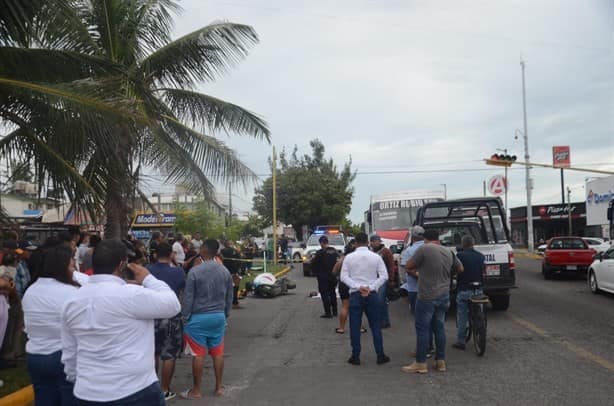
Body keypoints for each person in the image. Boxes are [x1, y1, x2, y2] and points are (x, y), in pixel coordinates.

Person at [61, 238, 181, 405]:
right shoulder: (131, 295)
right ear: (122, 264)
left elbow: (70, 352)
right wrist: (147, 278)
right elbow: (172, 305)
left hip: (87, 392)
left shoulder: (72, 301)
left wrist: (81, 381)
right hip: (135, 389)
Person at [22, 244, 80, 406]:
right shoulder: (70, 292)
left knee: (43, 399)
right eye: (71, 265)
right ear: (61, 267)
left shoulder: (31, 290)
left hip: (35, 356)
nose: (74, 269)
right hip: (62, 356)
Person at [402, 229, 463, 374]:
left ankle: (421, 363)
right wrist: (448, 275)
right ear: (438, 238)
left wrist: (420, 273)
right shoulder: (448, 251)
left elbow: (409, 266)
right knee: (439, 327)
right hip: (443, 295)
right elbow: (460, 268)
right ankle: (440, 362)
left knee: (423, 329)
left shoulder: (424, 249)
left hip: (427, 296)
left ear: (425, 238)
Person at [181, 239, 233, 399]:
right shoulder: (224, 271)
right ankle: (219, 388)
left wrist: (186, 317)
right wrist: (225, 314)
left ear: (203, 250)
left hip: (198, 317)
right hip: (218, 316)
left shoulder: (195, 272)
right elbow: (229, 296)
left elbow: (188, 297)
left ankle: (196, 390)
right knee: (218, 353)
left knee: (198, 355)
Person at [340, 232, 390, 366]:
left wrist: (357, 286)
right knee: (375, 326)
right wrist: (371, 287)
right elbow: (384, 276)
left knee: (355, 326)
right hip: (371, 294)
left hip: (356, 294)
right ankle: (380, 355)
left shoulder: (349, 258)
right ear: (368, 242)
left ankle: (355, 356)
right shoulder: (376, 257)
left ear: (355, 243)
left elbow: (343, 277)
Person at [146, 242, 186, 401]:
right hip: (171, 316)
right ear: (171, 255)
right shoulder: (178, 272)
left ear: (155, 255)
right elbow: (182, 290)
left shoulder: (147, 270)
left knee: (152, 352)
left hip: (150, 315)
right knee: (169, 354)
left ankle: (152, 386)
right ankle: (164, 389)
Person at [401, 226, 434, 358]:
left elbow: (406, 268)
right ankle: (431, 346)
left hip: (415, 289)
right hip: (432, 288)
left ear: (412, 237)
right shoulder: (433, 249)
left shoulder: (409, 251)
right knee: (432, 319)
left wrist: (418, 275)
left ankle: (423, 349)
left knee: (420, 322)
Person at [453, 235, 484, 350]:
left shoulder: (459, 256)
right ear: (473, 244)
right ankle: (481, 329)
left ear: (463, 244)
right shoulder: (480, 256)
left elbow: (455, 271)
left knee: (462, 316)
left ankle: (461, 341)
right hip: (478, 290)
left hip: (464, 290)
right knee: (479, 311)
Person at [333, 239, 366, 335]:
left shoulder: (344, 258)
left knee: (345, 306)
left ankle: (341, 328)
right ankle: (359, 327)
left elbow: (335, 270)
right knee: (357, 307)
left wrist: (337, 275)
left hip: (344, 284)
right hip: (356, 283)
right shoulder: (360, 258)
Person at [311, 236, 340, 318]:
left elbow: (314, 264)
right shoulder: (334, 251)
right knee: (332, 293)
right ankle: (335, 311)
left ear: (321, 243)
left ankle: (328, 313)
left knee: (325, 294)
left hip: (323, 277)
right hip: (333, 276)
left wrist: (314, 272)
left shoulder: (320, 253)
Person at [369, 235, 394, 328]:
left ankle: (383, 321)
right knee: (379, 301)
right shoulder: (371, 252)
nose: (374, 243)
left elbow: (391, 266)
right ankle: (384, 320)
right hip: (373, 280)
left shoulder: (385, 251)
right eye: (373, 242)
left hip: (383, 279)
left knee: (380, 301)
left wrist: (391, 280)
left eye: (376, 241)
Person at [220, 240, 242, 309]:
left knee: (225, 287)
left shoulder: (222, 251)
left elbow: (220, 260)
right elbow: (239, 260)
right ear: (231, 244)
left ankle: (224, 302)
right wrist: (238, 269)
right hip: (234, 270)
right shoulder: (235, 251)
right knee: (235, 286)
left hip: (224, 270)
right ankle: (234, 302)